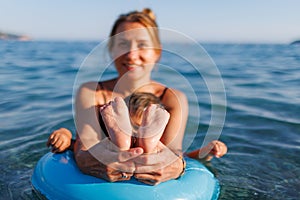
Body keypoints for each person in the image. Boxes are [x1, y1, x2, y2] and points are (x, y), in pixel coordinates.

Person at [47, 8, 227, 185]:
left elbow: (173, 152)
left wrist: (175, 165)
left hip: (142, 157)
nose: (132, 55)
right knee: (122, 149)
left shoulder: (172, 98)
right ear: (112, 49)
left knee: (154, 150)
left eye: (142, 45)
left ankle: (130, 140)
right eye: (123, 44)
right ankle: (134, 141)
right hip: (119, 156)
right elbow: (85, 146)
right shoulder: (92, 91)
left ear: (157, 52)